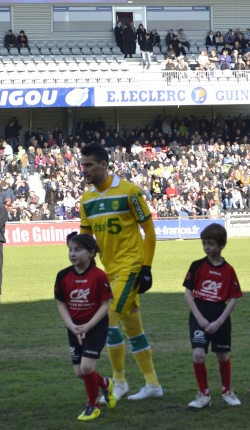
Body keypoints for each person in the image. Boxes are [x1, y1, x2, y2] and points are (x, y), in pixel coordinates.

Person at [78, 142, 161, 401]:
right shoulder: (87, 198)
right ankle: (153, 385)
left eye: (89, 165)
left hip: (130, 268)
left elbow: (149, 231)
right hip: (109, 270)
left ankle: (119, 382)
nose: (84, 169)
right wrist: (86, 266)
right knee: (133, 328)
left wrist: (146, 267)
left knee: (108, 322)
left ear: (103, 164)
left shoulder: (129, 192)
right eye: (82, 165)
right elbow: (86, 237)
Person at [55, 231, 116, 422]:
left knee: (87, 367)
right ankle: (105, 383)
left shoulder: (99, 276)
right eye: (70, 250)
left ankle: (93, 405)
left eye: (78, 250)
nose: (72, 254)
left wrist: (88, 326)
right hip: (75, 327)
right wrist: (72, 326)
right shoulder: (63, 275)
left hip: (95, 326)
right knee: (80, 372)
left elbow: (105, 305)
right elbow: (62, 303)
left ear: (91, 253)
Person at [183, 223, 242, 409]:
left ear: (222, 245)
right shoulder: (197, 265)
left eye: (211, 243)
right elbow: (187, 293)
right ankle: (204, 394)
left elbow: (233, 298)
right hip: (199, 313)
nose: (207, 247)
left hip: (219, 314)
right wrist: (199, 318)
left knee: (222, 355)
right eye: (204, 243)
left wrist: (220, 321)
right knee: (199, 354)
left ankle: (227, 391)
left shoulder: (229, 270)